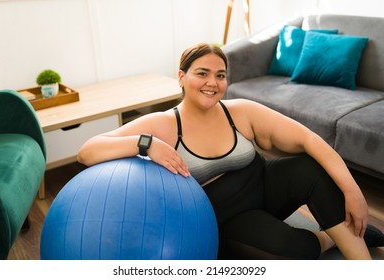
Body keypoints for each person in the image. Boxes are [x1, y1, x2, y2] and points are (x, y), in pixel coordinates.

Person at [77, 42, 384, 259]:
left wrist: (353, 191)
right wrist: (146, 143)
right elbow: (88, 151)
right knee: (293, 251)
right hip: (223, 216)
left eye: (220, 75)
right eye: (202, 73)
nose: (212, 82)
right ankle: (330, 236)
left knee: (309, 169)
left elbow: (309, 140)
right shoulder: (163, 124)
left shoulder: (241, 111)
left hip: (262, 186)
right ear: (181, 77)